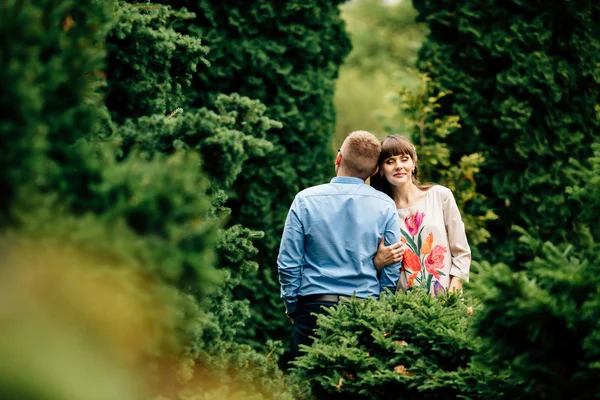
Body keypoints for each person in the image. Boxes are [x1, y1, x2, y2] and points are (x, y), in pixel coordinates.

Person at [278, 130, 404, 359]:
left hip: (313, 309)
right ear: (375, 171)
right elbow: (393, 264)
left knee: (306, 390)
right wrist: (381, 307)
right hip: (364, 310)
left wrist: (293, 307)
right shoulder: (385, 205)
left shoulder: (304, 200)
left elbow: (288, 263)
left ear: (338, 159)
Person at [370, 135, 471, 295]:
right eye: (390, 161)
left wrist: (451, 299)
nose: (398, 166)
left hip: (445, 306)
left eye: (404, 159)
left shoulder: (440, 196)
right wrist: (378, 262)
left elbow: (461, 254)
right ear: (381, 169)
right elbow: (367, 265)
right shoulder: (379, 211)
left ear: (413, 163)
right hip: (401, 308)